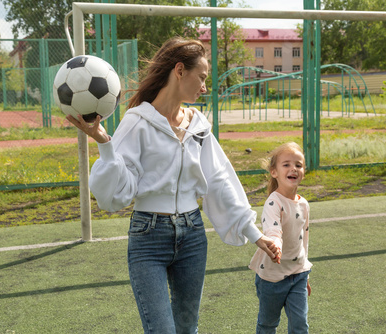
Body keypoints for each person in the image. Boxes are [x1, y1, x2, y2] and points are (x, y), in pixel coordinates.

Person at [67, 36, 279, 334]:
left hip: (193, 237)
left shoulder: (198, 125)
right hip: (148, 237)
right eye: (201, 77)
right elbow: (116, 195)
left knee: (186, 328)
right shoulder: (137, 121)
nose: (205, 87)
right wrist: (105, 143)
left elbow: (219, 180)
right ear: (180, 70)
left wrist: (255, 234)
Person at [249, 142, 313, 334]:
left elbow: (304, 239)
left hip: (298, 274)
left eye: (298, 165)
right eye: (286, 164)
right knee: (268, 324)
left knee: (300, 324)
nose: (293, 168)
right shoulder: (273, 202)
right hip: (272, 276)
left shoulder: (304, 204)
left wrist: (305, 270)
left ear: (303, 171)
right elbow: (272, 230)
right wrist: (275, 244)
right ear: (274, 172)